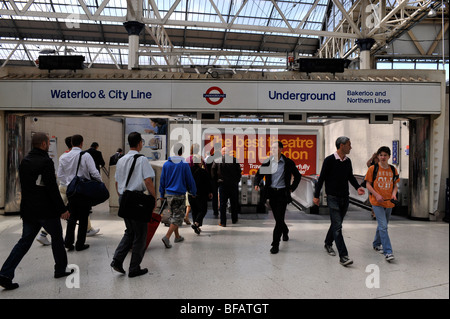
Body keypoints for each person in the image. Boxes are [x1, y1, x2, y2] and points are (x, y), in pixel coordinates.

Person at [0, 133, 72, 290]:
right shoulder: (46, 162)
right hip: (47, 211)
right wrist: (62, 209)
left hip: (29, 210)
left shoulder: (24, 161)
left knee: (24, 242)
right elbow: (52, 189)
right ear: (45, 144)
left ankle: (5, 273)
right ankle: (60, 269)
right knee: (57, 238)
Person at [313, 136, 365, 266]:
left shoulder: (348, 161)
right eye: (349, 144)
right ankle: (344, 256)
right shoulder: (329, 160)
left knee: (337, 223)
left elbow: (350, 176)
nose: (350, 147)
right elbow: (321, 179)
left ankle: (327, 243)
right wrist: (316, 196)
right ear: (341, 145)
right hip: (333, 197)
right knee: (338, 226)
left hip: (345, 197)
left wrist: (358, 187)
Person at [111, 132, 156, 277]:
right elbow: (148, 181)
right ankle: (134, 268)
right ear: (140, 143)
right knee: (140, 234)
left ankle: (117, 260)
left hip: (124, 197)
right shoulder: (141, 159)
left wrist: (122, 197)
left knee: (130, 231)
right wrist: (153, 198)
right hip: (135, 200)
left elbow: (117, 182)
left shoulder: (121, 159)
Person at [254, 141, 301, 254]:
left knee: (279, 219)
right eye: (272, 148)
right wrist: (256, 183)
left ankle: (275, 244)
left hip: (282, 194)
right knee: (278, 218)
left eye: (275, 148)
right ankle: (285, 230)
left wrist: (292, 188)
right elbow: (259, 174)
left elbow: (298, 176)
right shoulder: (269, 162)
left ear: (281, 149)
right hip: (272, 193)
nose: (273, 150)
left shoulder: (288, 163)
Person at [58, 134, 102, 251]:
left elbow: (60, 175)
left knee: (72, 217)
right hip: (84, 191)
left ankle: (68, 242)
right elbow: (94, 172)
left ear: (71, 143)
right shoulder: (85, 156)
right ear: (82, 143)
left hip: (71, 191)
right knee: (83, 218)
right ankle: (80, 244)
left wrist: (68, 183)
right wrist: (99, 182)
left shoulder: (63, 157)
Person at [36, 135, 73, 246]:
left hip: (63, 185)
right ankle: (43, 233)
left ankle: (88, 228)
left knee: (64, 209)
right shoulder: (81, 155)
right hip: (72, 187)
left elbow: (60, 174)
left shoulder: (62, 156)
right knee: (78, 209)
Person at [364, 146, 399, 262]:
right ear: (378, 156)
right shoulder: (373, 169)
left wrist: (394, 194)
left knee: (382, 225)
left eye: (385, 155)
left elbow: (395, 185)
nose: (383, 157)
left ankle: (376, 243)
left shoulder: (393, 170)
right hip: (376, 202)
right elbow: (368, 184)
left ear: (389, 156)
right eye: (381, 155)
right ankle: (388, 252)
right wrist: (376, 195)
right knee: (384, 226)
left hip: (389, 202)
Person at [159, 143, 197, 248]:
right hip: (179, 194)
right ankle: (167, 237)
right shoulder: (184, 164)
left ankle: (177, 236)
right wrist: (193, 192)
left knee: (174, 216)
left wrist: (161, 194)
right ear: (182, 152)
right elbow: (190, 180)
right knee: (178, 217)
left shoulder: (166, 164)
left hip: (169, 195)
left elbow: (162, 180)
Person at [211, 147, 242, 227]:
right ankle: (234, 219)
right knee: (234, 203)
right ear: (228, 152)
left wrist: (217, 182)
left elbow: (213, 172)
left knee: (222, 204)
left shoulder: (217, 160)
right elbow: (239, 172)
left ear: (222, 152)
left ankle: (223, 222)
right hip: (233, 185)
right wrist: (236, 181)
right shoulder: (234, 160)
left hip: (222, 185)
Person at [189, 155, 213, 234]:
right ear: (200, 162)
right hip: (201, 195)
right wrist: (210, 192)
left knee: (194, 210)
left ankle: (197, 226)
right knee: (203, 210)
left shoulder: (189, 170)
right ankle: (196, 223)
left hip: (190, 194)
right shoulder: (203, 172)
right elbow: (208, 183)